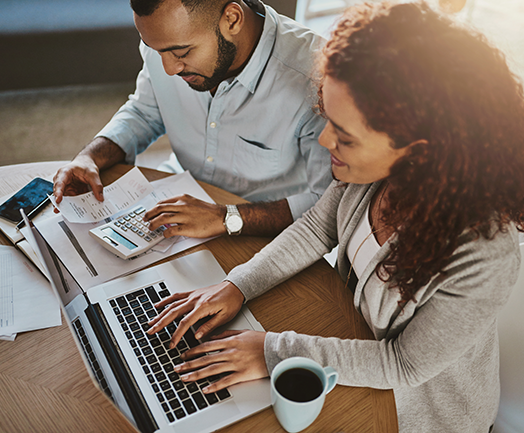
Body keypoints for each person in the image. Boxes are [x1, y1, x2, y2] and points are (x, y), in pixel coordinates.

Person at [144, 2, 524, 432]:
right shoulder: (373, 172)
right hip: (347, 351)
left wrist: (271, 350)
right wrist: (237, 286)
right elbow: (315, 229)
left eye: (344, 136)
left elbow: (401, 365)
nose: (325, 139)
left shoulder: (485, 255)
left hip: (415, 414)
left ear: (419, 154)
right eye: (328, 116)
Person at [53, 0, 332, 238]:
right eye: (156, 49)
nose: (170, 68)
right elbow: (145, 112)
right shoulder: (168, 38)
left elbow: (328, 205)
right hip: (173, 199)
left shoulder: (315, 79)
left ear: (232, 19)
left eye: (182, 52)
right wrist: (89, 157)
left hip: (261, 233)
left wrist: (225, 217)